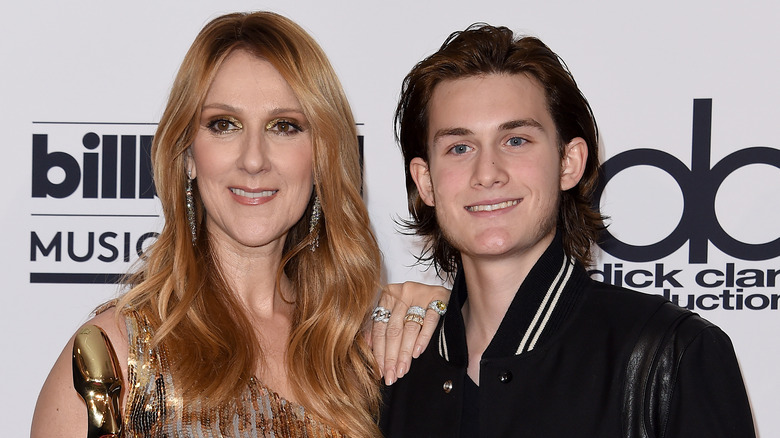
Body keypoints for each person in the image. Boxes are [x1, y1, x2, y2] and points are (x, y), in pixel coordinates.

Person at [31, 11, 442, 437]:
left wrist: (454, 323)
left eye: (284, 126)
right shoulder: (113, 355)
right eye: (224, 125)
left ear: (322, 157)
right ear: (188, 155)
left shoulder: (362, 348)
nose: (253, 159)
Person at [380, 24, 756, 437]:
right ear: (426, 181)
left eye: (516, 140)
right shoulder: (391, 365)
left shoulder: (671, 353)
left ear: (568, 162)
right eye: (460, 148)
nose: (487, 173)